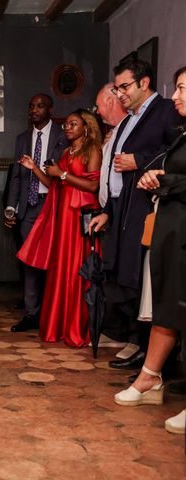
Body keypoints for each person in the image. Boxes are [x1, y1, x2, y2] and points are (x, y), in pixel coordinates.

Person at [89, 59, 181, 369]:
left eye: (124, 87)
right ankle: (138, 344)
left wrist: (138, 160)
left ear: (144, 83)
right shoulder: (131, 118)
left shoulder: (165, 111)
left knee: (145, 282)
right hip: (125, 209)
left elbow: (174, 154)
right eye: (116, 88)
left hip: (150, 211)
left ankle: (150, 355)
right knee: (128, 280)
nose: (120, 94)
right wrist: (109, 212)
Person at [113, 66, 186, 435]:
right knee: (165, 305)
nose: (176, 96)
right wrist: (156, 175)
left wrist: (158, 174)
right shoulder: (181, 131)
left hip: (178, 225)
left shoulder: (168, 120)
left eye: (183, 89)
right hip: (170, 227)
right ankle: (149, 378)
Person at [17, 110, 102, 347]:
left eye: (73, 124)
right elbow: (54, 184)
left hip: (79, 215)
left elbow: (93, 185)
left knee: (76, 269)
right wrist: (35, 168)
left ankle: (76, 327)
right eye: (66, 124)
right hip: (63, 215)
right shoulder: (66, 151)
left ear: (86, 127)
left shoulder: (92, 149)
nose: (67, 127)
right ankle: (59, 325)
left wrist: (62, 174)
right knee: (61, 269)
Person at [4, 94, 67, 333]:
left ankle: (52, 314)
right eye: (31, 106)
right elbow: (17, 177)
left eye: (40, 106)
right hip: (28, 207)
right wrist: (11, 207)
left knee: (52, 260)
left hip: (52, 203)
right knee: (29, 261)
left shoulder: (63, 135)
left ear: (50, 109)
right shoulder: (22, 138)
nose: (34, 110)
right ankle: (31, 314)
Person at [92, 83, 130, 350]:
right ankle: (115, 330)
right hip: (110, 212)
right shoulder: (113, 133)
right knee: (110, 273)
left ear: (110, 101)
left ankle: (128, 336)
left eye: (99, 104)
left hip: (124, 210)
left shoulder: (128, 128)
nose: (97, 110)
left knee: (122, 275)